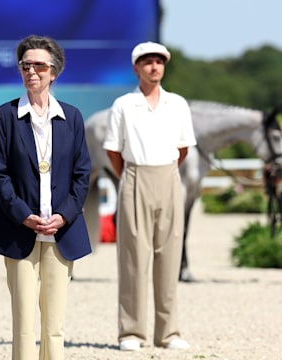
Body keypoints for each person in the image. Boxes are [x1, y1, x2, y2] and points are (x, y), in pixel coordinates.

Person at [0, 35, 92, 360]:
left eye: (39, 65)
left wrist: (65, 215)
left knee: (55, 324)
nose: (32, 71)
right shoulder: (4, 116)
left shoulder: (71, 117)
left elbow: (82, 174)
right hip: (19, 231)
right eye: (25, 65)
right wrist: (23, 215)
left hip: (62, 232)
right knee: (24, 325)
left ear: (53, 71)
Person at [103, 41, 196, 351]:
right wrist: (133, 176)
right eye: (147, 62)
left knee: (169, 255)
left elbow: (182, 149)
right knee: (132, 258)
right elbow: (113, 150)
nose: (154, 67)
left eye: (159, 61)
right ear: (136, 68)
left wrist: (165, 172)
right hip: (134, 176)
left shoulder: (178, 104)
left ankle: (168, 332)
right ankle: (131, 332)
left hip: (169, 176)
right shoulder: (123, 105)